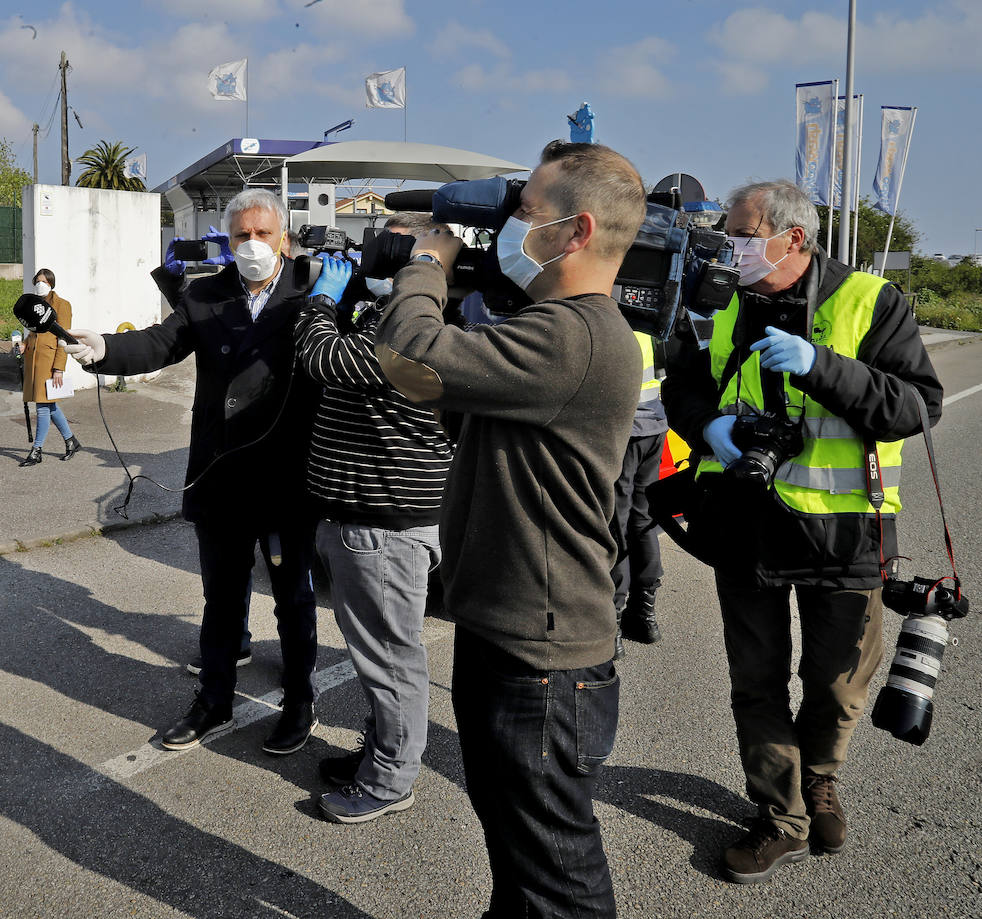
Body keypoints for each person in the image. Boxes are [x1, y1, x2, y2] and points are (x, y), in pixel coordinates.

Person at [375, 141, 648, 918]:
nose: (508, 225)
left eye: (524, 211)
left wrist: (427, 261)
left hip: (543, 658)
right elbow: (443, 389)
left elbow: (408, 353)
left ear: (574, 230)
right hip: (511, 633)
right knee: (520, 852)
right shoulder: (552, 324)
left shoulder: (576, 334)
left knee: (560, 876)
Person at [661, 180, 942, 884]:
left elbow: (914, 406)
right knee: (755, 681)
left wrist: (823, 369)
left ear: (794, 238)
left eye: (743, 233)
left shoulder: (870, 300)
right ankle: (780, 815)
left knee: (838, 685)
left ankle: (820, 778)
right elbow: (681, 382)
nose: (731, 247)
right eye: (729, 233)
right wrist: (709, 426)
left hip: (845, 537)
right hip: (745, 527)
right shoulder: (717, 295)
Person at [65, 188, 321, 755]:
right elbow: (161, 343)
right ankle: (214, 698)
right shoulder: (207, 295)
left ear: (283, 238)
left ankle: (299, 697)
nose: (251, 245)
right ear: (227, 242)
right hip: (221, 475)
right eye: (240, 236)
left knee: (292, 597)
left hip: (285, 478)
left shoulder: (309, 294)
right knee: (222, 597)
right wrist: (103, 347)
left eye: (262, 234)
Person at [294, 215, 454, 825]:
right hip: (369, 520)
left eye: (390, 245)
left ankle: (389, 779)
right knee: (382, 655)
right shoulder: (396, 317)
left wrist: (320, 302)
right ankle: (381, 756)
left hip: (381, 526)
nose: (372, 252)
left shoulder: (414, 333)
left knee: (390, 658)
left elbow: (321, 358)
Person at [611, 330, 667, 658]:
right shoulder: (651, 315)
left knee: (614, 524)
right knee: (643, 522)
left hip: (625, 432)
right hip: (655, 426)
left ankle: (614, 623)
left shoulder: (612, 315)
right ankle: (644, 617)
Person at [19, 268, 82, 465]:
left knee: (43, 407)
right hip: (34, 361)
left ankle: (37, 450)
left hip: (49, 363)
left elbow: (65, 338)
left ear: (51, 284)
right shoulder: (32, 304)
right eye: (38, 280)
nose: (41, 284)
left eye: (45, 281)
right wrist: (24, 343)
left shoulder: (62, 305)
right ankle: (71, 441)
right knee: (50, 405)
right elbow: (32, 332)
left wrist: (59, 368)